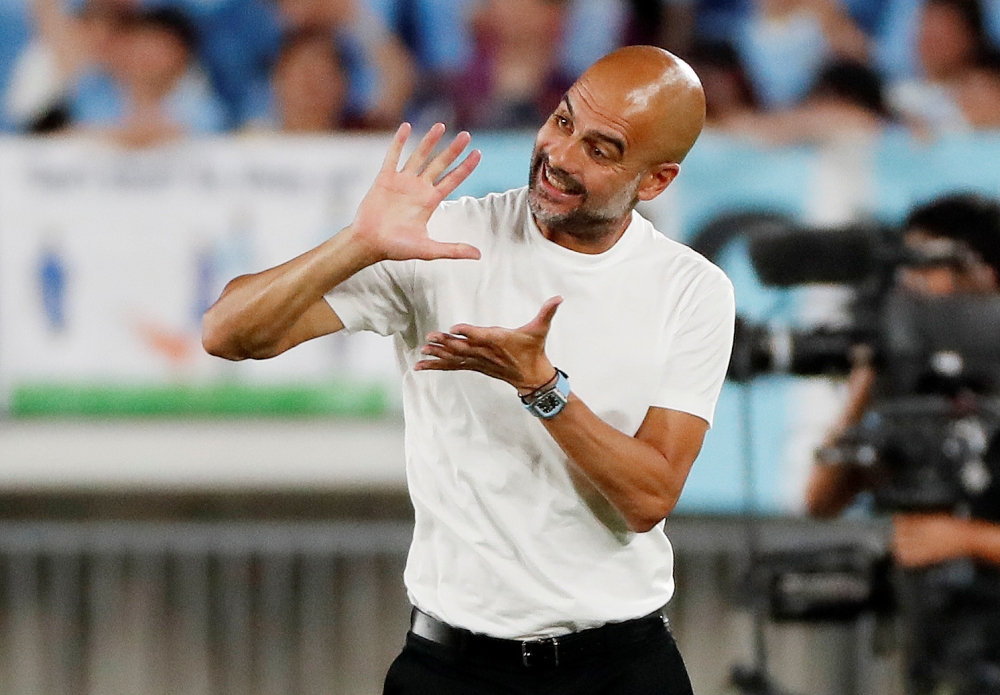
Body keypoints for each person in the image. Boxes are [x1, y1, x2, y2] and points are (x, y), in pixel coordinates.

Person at [202, 45, 735, 694]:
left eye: (601, 149)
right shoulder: (441, 241)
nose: (561, 155)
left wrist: (542, 389)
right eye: (563, 122)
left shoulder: (693, 289)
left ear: (655, 182)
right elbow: (228, 333)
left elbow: (649, 496)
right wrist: (357, 243)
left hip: (621, 667)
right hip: (450, 668)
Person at [805, 193, 1000, 695]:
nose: (912, 284)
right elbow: (820, 501)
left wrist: (967, 540)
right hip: (927, 648)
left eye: (930, 264)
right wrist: (866, 385)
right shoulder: (903, 386)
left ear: (987, 275)